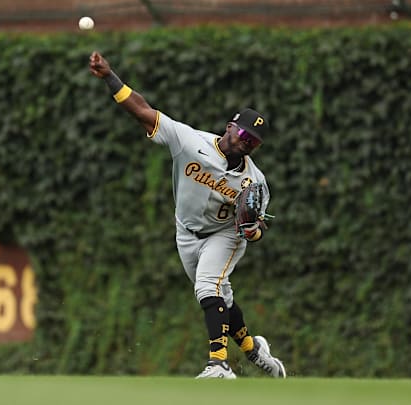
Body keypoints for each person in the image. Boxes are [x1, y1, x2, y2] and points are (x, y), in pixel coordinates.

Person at [88, 51, 286, 379]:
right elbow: (141, 110)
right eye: (244, 134)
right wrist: (110, 76)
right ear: (230, 127)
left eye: (254, 141)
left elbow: (260, 225)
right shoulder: (189, 142)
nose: (248, 143)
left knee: (208, 286)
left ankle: (218, 364)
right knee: (218, 297)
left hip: (225, 235)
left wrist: (254, 232)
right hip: (186, 232)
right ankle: (253, 350)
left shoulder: (256, 180)